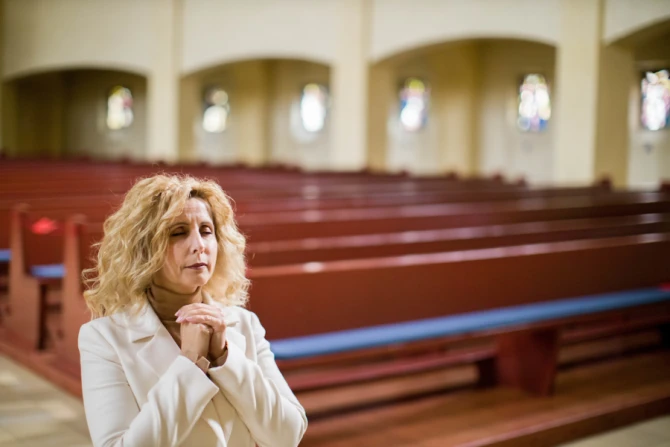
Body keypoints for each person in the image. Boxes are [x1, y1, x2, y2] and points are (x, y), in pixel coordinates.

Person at [78, 174, 307, 447]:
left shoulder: (244, 323)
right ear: (143, 249)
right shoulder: (103, 338)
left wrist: (225, 358)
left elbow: (288, 435)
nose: (199, 245)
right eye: (178, 232)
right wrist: (189, 364)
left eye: (207, 230)